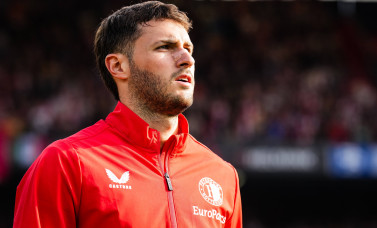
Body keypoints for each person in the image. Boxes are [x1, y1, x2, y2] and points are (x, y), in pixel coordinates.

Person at [13, 1, 242, 227]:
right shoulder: (66, 163)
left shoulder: (222, 175)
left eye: (188, 49)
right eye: (165, 47)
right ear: (118, 66)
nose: (187, 60)